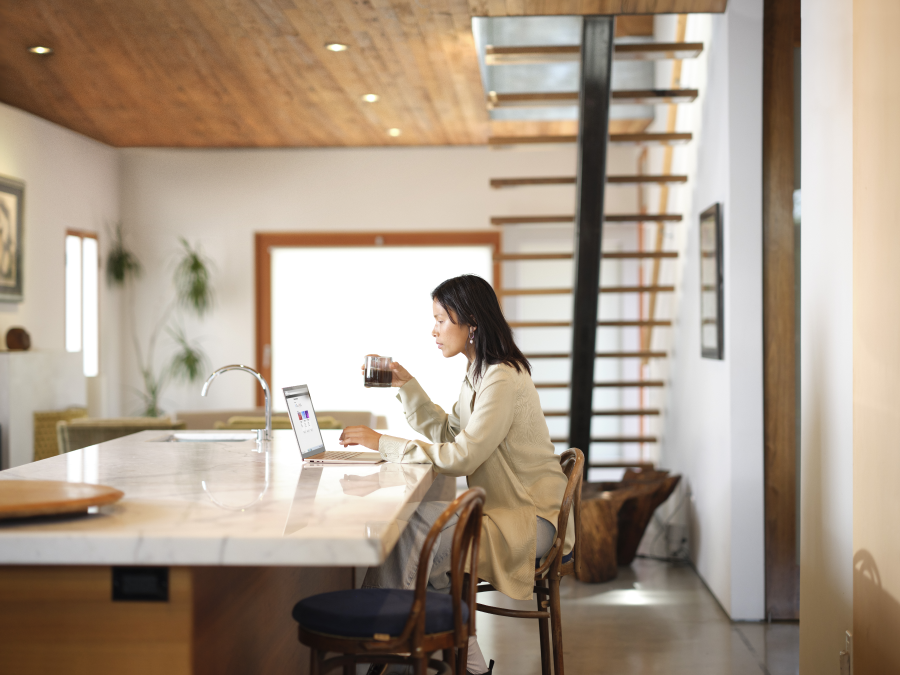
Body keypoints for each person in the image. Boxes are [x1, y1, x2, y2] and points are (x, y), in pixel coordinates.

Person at [339, 274, 575, 675]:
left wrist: (382, 442)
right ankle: (459, 658)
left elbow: (463, 456)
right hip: (508, 514)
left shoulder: (500, 376)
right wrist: (408, 386)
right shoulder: (479, 372)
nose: (434, 330)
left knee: (418, 530)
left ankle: (375, 644)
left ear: (471, 323)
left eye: (441, 319)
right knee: (420, 528)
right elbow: (453, 433)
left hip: (530, 522)